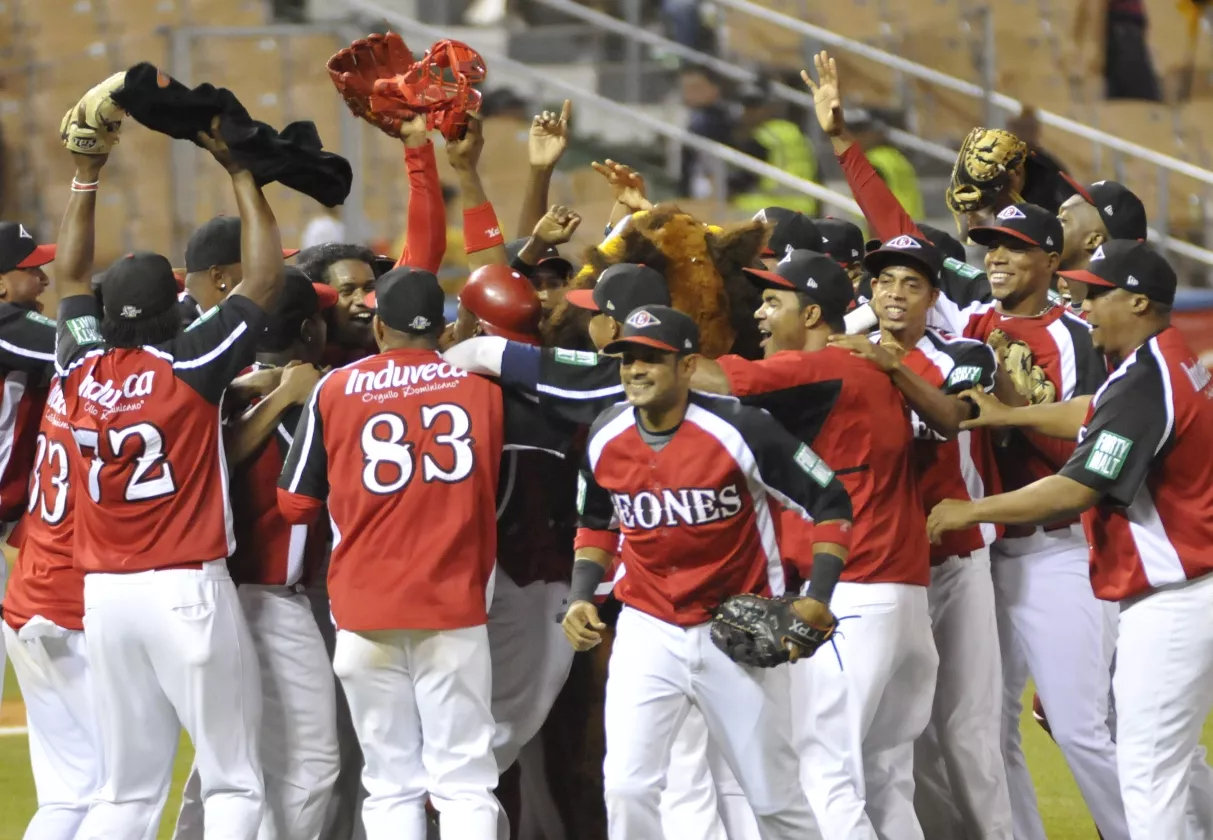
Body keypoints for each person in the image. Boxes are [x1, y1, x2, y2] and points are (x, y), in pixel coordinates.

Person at [927, 240, 1213, 839]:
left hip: (1175, 597)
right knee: (1174, 760)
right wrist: (1009, 417)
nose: (1084, 307)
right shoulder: (1163, 356)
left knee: (1146, 772)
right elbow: (1093, 409)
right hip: (1190, 585)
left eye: (1097, 295)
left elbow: (1078, 487)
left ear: (1138, 302)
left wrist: (968, 510)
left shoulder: (1145, 380)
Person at [55, 117, 286, 839]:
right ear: (173, 303)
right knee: (233, 780)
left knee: (124, 794)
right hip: (183, 587)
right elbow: (265, 276)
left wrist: (84, 175)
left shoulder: (77, 365)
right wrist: (241, 172)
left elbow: (65, 276)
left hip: (103, 598)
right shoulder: (190, 362)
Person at [278, 266, 555, 840]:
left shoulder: (335, 387)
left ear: (379, 327)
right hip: (453, 609)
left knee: (390, 785)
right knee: (465, 784)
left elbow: (295, 504)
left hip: (362, 609)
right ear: (445, 328)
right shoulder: (483, 389)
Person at [561, 304, 853, 840]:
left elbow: (831, 501)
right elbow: (597, 523)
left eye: (651, 358)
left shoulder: (742, 427)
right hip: (647, 628)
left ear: (689, 366)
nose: (635, 370)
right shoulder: (605, 433)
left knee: (772, 797)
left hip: (733, 629)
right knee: (626, 787)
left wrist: (819, 595)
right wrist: (583, 595)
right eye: (627, 359)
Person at [691, 250, 935, 838]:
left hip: (851, 600)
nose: (761, 313)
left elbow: (710, 377)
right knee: (886, 781)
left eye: (775, 301)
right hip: (905, 601)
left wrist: (624, 343)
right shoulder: (868, 370)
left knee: (824, 777)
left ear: (815, 312)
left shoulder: (822, 366)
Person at [951, 205, 1128, 840]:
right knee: (987, 727)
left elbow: (1079, 462)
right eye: (991, 245)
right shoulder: (969, 321)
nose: (996, 257)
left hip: (1062, 553)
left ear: (1052, 262)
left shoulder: (1077, 335)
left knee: (1083, 726)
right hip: (985, 556)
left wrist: (1012, 403)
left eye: (1014, 247)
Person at [827, 235, 1012, 839]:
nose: (895, 294)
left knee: (966, 726)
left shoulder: (965, 352)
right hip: (877, 569)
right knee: (892, 732)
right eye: (884, 282)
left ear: (934, 295)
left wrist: (891, 366)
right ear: (869, 290)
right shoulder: (847, 355)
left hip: (955, 562)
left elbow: (951, 416)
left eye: (911, 283)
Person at [171, 268, 339, 840]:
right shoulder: (316, 398)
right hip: (267, 602)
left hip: (205, 593)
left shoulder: (212, 385)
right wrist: (288, 394)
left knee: (224, 763)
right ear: (311, 330)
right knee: (311, 765)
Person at [2, 377, 102, 840]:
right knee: (118, 794)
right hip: (72, 611)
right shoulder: (114, 396)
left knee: (66, 795)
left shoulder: (64, 385)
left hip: (26, 599)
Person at [180, 215, 300, 326]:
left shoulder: (201, 320)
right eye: (258, 272)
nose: (266, 281)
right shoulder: (179, 330)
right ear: (218, 277)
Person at [732, 80, 819, 216]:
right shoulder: (793, 130)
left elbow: (743, 180)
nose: (747, 113)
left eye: (753, 107)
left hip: (764, 209)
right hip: (802, 209)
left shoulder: (760, 138)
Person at [845, 108, 924, 219]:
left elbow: (874, 212)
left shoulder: (870, 163)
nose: (853, 138)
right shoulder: (896, 157)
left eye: (860, 131)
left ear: (877, 132)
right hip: (910, 231)